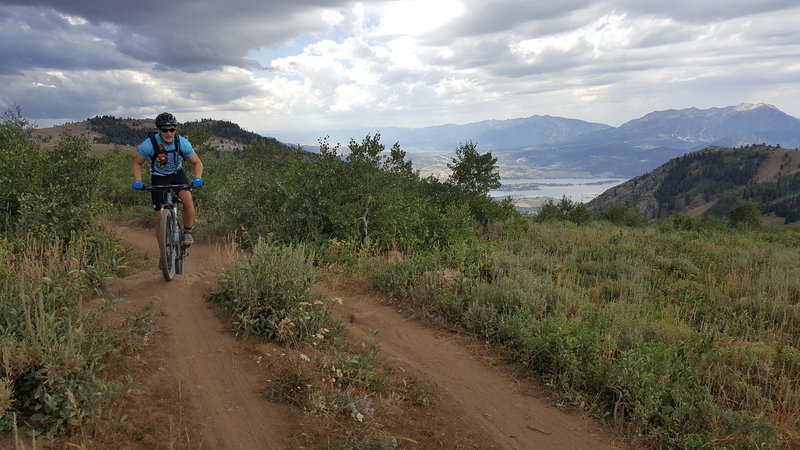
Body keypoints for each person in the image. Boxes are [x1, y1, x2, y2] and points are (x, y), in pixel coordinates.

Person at [131, 112, 204, 246]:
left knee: (188, 201)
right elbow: (137, 163)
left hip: (177, 175)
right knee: (159, 217)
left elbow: (197, 163)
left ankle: (187, 233)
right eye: (165, 130)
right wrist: (138, 180)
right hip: (159, 177)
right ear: (158, 130)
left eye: (172, 129)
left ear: (175, 130)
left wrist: (198, 177)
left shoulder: (182, 143)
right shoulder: (149, 144)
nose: (169, 133)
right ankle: (163, 252)